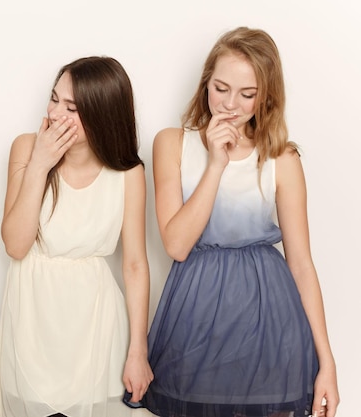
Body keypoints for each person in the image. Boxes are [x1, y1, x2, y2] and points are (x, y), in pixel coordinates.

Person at [128, 27, 339, 417]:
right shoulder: (171, 143)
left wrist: (327, 363)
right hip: (195, 321)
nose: (230, 105)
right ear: (205, 80)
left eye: (247, 94)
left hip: (271, 321)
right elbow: (176, 245)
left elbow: (302, 265)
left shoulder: (282, 159)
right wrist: (216, 163)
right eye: (221, 88)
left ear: (266, 97)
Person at [0, 56, 153, 417]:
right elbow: (16, 245)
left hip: (96, 329)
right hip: (32, 325)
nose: (56, 113)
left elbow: (136, 265)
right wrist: (40, 163)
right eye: (54, 99)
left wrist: (137, 352)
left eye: (72, 107)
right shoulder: (25, 148)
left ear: (102, 115)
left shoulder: (128, 173)